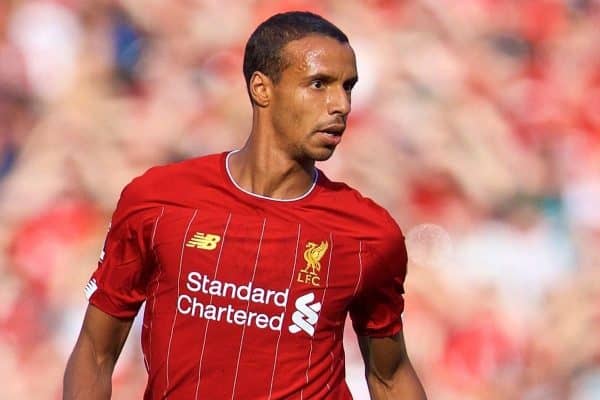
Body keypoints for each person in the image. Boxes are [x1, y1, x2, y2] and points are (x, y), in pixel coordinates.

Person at [63, 11, 427, 400]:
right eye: (319, 84)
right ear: (261, 88)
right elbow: (95, 352)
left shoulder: (368, 233)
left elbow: (389, 374)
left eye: (348, 87)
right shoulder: (159, 199)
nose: (340, 104)